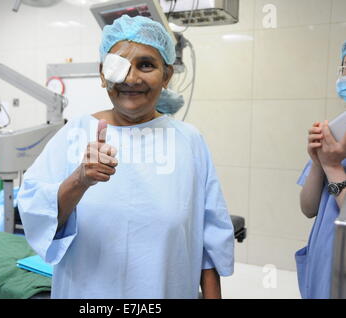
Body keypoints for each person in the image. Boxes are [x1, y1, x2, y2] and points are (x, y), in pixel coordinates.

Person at [17, 15, 234, 299]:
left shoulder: (189, 141)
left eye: (146, 64)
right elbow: (37, 218)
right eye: (119, 65)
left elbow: (210, 235)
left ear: (167, 76)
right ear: (103, 73)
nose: (131, 79)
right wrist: (79, 180)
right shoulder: (74, 135)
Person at [296, 40, 346, 299]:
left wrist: (333, 167)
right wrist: (317, 163)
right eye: (345, 67)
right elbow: (308, 208)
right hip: (323, 273)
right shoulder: (338, 135)